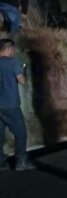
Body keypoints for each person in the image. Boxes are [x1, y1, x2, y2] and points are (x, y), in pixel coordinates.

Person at [0, 39, 34, 171]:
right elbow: (22, 81)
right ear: (8, 49)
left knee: (0, 134)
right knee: (20, 133)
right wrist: (24, 71)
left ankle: (1, 162)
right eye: (12, 50)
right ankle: (21, 161)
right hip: (10, 105)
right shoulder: (12, 62)